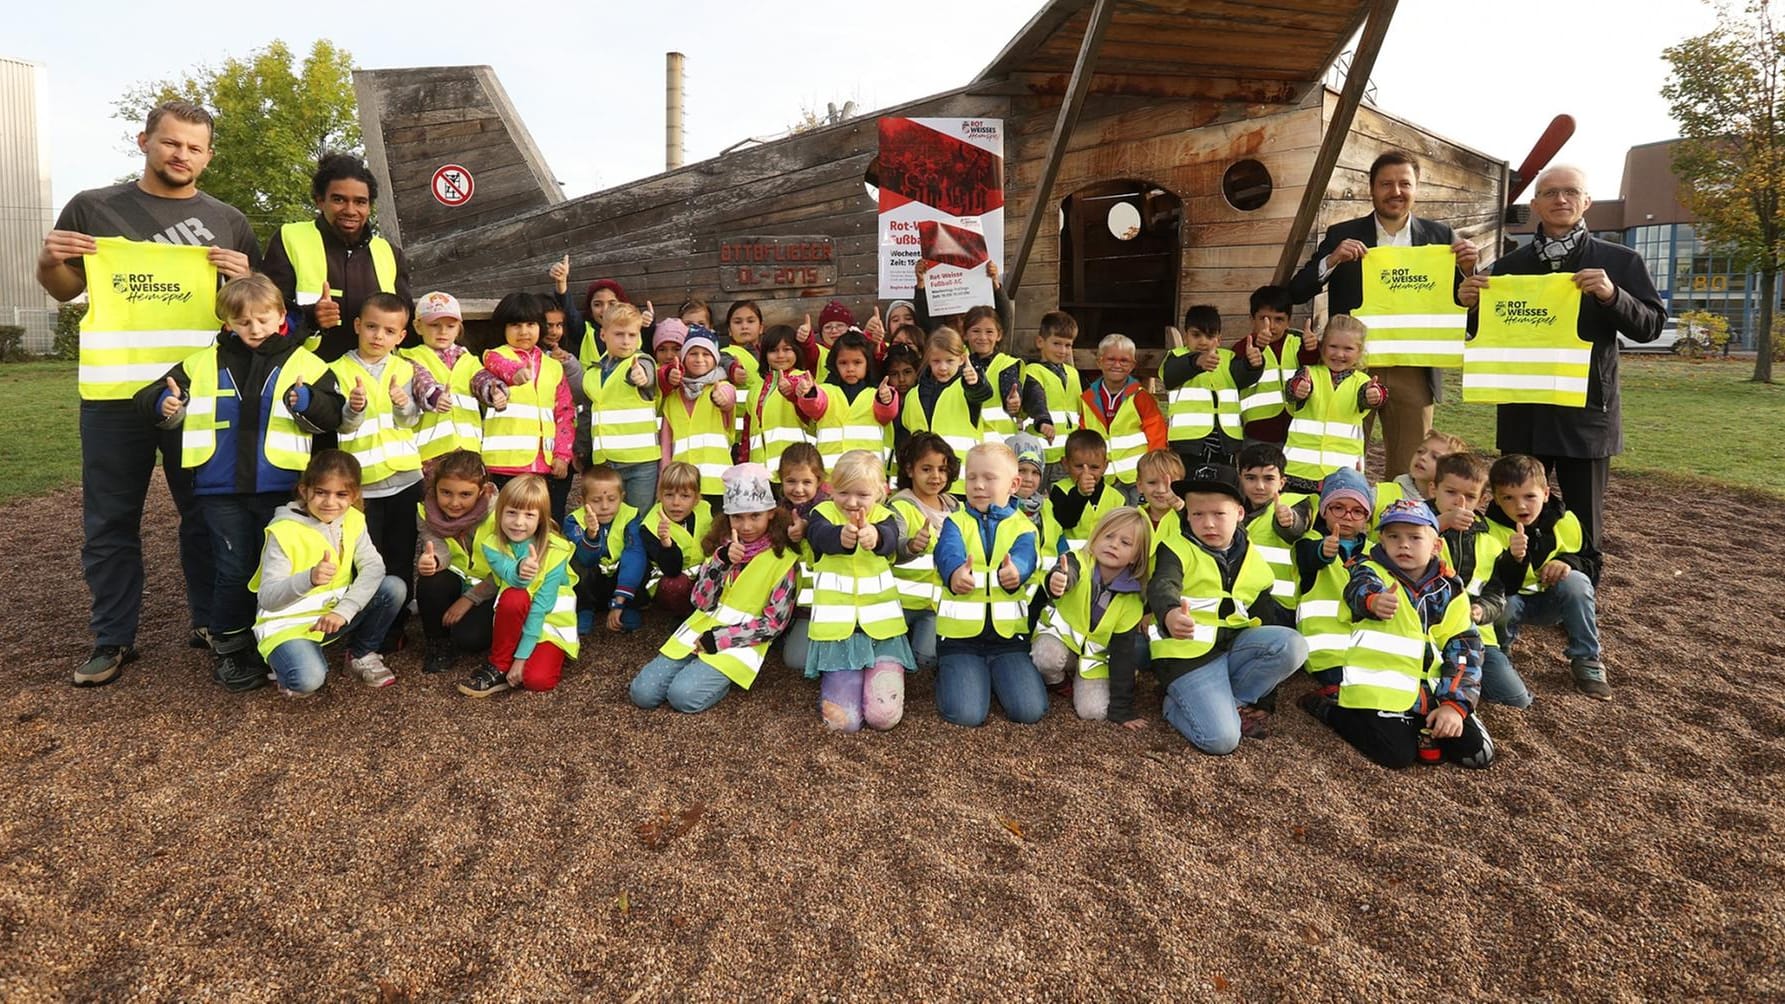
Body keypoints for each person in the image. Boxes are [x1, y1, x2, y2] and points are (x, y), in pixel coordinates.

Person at [39, 99, 259, 686]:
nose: (181, 154)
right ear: (144, 141)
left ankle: (213, 623)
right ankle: (112, 639)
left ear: (208, 156)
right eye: (171, 142)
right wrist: (48, 262)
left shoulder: (230, 221)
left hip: (199, 395)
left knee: (204, 513)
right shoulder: (94, 206)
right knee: (110, 521)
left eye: (194, 146)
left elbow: (253, 310)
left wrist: (242, 278)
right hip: (114, 395)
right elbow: (63, 290)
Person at [138, 274, 343, 691]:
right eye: (243, 321)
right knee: (232, 570)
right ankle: (231, 649)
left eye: (263, 319)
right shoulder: (200, 364)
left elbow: (333, 413)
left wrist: (308, 401)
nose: (254, 329)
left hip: (282, 487)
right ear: (227, 322)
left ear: (281, 316)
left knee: (281, 567)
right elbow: (150, 395)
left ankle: (283, 635)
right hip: (221, 488)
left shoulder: (305, 363)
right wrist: (165, 401)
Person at [1460, 165, 1667, 563]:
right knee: (1512, 512)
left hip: (1585, 416)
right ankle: (1510, 591)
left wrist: (1611, 295)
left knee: (1582, 522)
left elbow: (1650, 326)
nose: (1561, 200)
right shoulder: (1507, 268)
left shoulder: (1620, 262)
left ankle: (1579, 598)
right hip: (1524, 411)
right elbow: (1483, 333)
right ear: (1535, 204)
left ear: (1586, 201)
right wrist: (1469, 305)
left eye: (1571, 192)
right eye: (1550, 193)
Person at [1288, 149, 1479, 477]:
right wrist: (1331, 260)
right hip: (1351, 365)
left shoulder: (1441, 238)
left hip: (1414, 367)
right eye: (1386, 184)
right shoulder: (1341, 234)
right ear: (1371, 188)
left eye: (1405, 183)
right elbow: (1297, 290)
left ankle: (1400, 525)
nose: (1396, 192)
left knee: (1410, 468)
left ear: (1417, 188)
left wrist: (1468, 269)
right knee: (1338, 459)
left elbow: (1464, 305)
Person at [1299, 499, 1496, 769]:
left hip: (1435, 690)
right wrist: (1372, 601)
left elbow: (1464, 648)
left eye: (1415, 537)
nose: (1404, 544)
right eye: (1394, 537)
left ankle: (1425, 727)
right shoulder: (1368, 570)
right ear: (1381, 541)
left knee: (1477, 754)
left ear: (1436, 545)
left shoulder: (1451, 590)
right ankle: (1330, 708)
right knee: (1397, 755)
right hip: (1380, 691)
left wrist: (1454, 706)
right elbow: (1358, 591)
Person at [1129, 464, 1305, 752]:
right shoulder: (1175, 547)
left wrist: (1265, 697)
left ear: (1239, 513)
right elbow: (1163, 586)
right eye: (1198, 514)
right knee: (1221, 741)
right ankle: (1174, 704)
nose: (1208, 523)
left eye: (1218, 514)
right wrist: (1171, 613)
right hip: (1186, 655)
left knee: (1292, 644)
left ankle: (1230, 700)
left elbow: (1265, 613)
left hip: (1231, 647)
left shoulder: (1249, 552)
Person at [629, 463, 801, 714]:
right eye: (738, 517)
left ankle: (716, 679)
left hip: (738, 644)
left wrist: (717, 640)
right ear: (728, 518)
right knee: (642, 694)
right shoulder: (722, 548)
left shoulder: (784, 561)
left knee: (682, 697)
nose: (747, 526)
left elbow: (774, 624)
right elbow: (700, 601)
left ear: (771, 514)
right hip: (695, 634)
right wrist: (721, 562)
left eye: (755, 516)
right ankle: (697, 672)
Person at [250, 450, 406, 695]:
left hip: (331, 617)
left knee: (393, 587)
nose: (330, 502)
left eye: (341, 494)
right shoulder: (283, 531)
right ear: (304, 491)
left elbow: (374, 567)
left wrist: (344, 611)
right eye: (321, 492)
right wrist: (308, 579)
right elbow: (267, 597)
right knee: (308, 681)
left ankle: (359, 654)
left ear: (354, 496)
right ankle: (285, 663)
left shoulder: (352, 518)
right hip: (287, 625)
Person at [330, 292, 425, 650]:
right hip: (362, 485)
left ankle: (395, 628)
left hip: (404, 479)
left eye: (388, 331)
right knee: (365, 560)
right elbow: (340, 428)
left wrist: (404, 406)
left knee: (401, 555)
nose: (377, 336)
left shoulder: (406, 368)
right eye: (371, 327)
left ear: (401, 336)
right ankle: (364, 625)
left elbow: (412, 420)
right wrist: (353, 409)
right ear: (357, 326)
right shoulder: (338, 370)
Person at [933, 442, 1048, 727]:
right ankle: (956, 675)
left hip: (1009, 642)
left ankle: (988, 677)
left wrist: (1016, 572)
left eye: (989, 478)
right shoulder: (955, 522)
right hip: (961, 642)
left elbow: (1026, 557)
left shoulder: (1025, 527)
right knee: (967, 716)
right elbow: (946, 553)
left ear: (1014, 484)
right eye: (971, 477)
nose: (978, 485)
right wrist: (955, 573)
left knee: (1029, 712)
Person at [262, 152, 413, 362]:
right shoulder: (290, 239)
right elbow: (262, 315)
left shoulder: (389, 253)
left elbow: (407, 327)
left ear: (369, 207)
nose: (350, 210)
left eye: (360, 202)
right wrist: (311, 317)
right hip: (307, 378)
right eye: (339, 200)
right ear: (320, 201)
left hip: (373, 382)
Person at [803, 450, 913, 732]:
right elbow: (818, 536)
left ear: (880, 492)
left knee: (883, 716)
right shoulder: (821, 514)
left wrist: (875, 536)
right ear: (830, 489)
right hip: (838, 634)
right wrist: (840, 537)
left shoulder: (887, 516)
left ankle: (876, 678)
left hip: (882, 633)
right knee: (843, 723)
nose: (851, 502)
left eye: (862, 495)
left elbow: (890, 539)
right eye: (843, 493)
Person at [1482, 453, 1608, 699]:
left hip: (1553, 604)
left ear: (1546, 493)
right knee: (1501, 603)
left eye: (1530, 496)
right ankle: (1500, 656)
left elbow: (1594, 564)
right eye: (1508, 498)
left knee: (1577, 581)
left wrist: (1567, 561)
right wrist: (1514, 560)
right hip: (1510, 603)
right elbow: (1490, 584)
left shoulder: (1567, 521)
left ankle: (1587, 660)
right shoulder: (1488, 530)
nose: (1521, 506)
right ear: (1495, 499)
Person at [458, 475, 581, 697]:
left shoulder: (557, 550)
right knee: (516, 595)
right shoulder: (493, 544)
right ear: (500, 512)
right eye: (512, 512)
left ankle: (536, 653)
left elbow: (541, 606)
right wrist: (521, 570)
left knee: (537, 680)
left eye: (529, 515)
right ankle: (499, 664)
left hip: (549, 624)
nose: (518, 522)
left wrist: (521, 659)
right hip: (515, 618)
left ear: (541, 519)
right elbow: (511, 577)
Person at [1428, 451, 1531, 709]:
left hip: (1473, 634)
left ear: (1482, 499)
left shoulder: (1491, 540)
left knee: (1516, 700)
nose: (1460, 502)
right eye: (1451, 492)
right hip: (1423, 632)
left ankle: (1461, 681)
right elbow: (1390, 555)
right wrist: (1436, 525)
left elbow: (1498, 595)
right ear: (1433, 489)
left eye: (1471, 496)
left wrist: (1482, 610)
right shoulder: (1410, 522)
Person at [1033, 506, 1151, 720]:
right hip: (1060, 643)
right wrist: (1059, 579)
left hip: (1093, 660)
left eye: (1125, 542)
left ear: (1136, 556)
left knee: (1094, 713)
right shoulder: (1076, 560)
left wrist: (1122, 711)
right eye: (1108, 536)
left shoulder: (1132, 601)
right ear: (1095, 538)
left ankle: (1083, 679)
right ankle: (1058, 681)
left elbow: (1122, 655)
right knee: (1045, 658)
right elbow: (1067, 571)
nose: (1114, 544)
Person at [479, 292, 576, 521]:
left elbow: (564, 412)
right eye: (515, 325)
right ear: (503, 328)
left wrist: (562, 455)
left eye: (530, 324)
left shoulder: (553, 367)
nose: (524, 331)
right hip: (505, 464)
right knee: (504, 522)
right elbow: (501, 367)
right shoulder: (494, 357)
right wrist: (516, 373)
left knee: (541, 522)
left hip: (545, 465)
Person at [414, 450, 500, 676]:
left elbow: (507, 570)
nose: (454, 503)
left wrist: (469, 599)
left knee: (471, 640)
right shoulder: (426, 511)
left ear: (482, 491)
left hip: (492, 587)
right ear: (434, 489)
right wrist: (431, 561)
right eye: (446, 493)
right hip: (457, 578)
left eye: (465, 494)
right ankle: (437, 644)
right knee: (430, 580)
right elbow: (438, 548)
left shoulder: (500, 514)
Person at [1293, 467, 1375, 689]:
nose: (1348, 517)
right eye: (1338, 508)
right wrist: (1324, 551)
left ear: (1367, 517)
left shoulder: (1376, 552)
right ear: (1323, 511)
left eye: (1358, 511)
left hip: (1366, 650)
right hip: (1324, 652)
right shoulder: (1308, 542)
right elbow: (1309, 559)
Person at [1283, 315, 1385, 488]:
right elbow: (1291, 391)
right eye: (1333, 347)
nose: (1339, 354)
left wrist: (1375, 395)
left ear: (1359, 352)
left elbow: (1371, 397)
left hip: (1343, 475)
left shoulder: (1362, 382)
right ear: (1322, 347)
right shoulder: (1308, 373)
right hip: (1298, 472)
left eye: (1348, 349)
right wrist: (1299, 390)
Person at [1160, 304, 1261, 469]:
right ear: (1185, 337)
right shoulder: (1176, 357)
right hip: (1188, 444)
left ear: (1219, 339)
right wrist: (1196, 361)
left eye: (1210, 336)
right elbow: (1170, 376)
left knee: (1223, 489)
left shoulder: (1229, 359)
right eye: (1196, 335)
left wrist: (1254, 365)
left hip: (1225, 443)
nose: (1203, 341)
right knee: (1190, 491)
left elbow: (1245, 377)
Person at [889, 433, 959, 672]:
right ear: (910, 470)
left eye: (942, 469)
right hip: (900, 604)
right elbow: (890, 547)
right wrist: (909, 546)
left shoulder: (955, 507)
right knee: (897, 663)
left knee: (926, 662)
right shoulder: (899, 505)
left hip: (935, 607)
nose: (936, 476)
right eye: (927, 469)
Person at [582, 302, 659, 512]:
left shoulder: (642, 362)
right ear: (603, 335)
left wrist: (641, 377)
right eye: (619, 334)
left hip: (641, 464)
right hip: (606, 463)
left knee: (637, 522)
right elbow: (588, 415)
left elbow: (646, 375)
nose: (626, 341)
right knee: (609, 522)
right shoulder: (592, 373)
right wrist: (581, 451)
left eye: (632, 335)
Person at [611, 461, 710, 624]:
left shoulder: (706, 509)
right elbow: (672, 569)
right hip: (672, 577)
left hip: (702, 573)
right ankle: (684, 615)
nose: (676, 503)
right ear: (659, 494)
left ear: (697, 498)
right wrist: (666, 544)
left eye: (685, 496)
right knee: (675, 584)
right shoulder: (649, 526)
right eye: (669, 495)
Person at [400, 291, 489, 464]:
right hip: (432, 453)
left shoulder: (468, 359)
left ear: (459, 329)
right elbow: (422, 381)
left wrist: (495, 391)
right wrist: (434, 396)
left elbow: (482, 379)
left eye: (450, 326)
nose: (443, 331)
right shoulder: (410, 357)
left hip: (470, 448)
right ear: (418, 326)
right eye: (435, 325)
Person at [901, 327, 991, 494]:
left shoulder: (965, 388)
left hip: (961, 486)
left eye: (950, 361)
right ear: (928, 359)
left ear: (962, 359)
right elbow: (905, 438)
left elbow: (981, 393)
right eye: (936, 361)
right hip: (921, 485)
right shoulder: (913, 395)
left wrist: (975, 382)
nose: (943, 367)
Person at [1077, 334, 1166, 497]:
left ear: (1132, 365)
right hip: (1103, 479)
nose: (1117, 365)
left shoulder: (1141, 397)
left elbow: (1157, 436)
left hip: (1138, 478)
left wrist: (1154, 472)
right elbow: (1083, 439)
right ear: (1099, 361)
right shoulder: (1087, 398)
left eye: (1124, 361)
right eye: (1111, 359)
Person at [563, 463, 643, 636]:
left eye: (612, 499)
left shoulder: (630, 516)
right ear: (582, 501)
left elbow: (634, 555)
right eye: (596, 500)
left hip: (618, 583)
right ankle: (584, 608)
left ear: (622, 497)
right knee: (574, 560)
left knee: (638, 556)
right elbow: (584, 560)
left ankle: (628, 604)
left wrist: (620, 601)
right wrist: (591, 535)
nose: (605, 507)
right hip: (591, 581)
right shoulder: (573, 521)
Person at [660, 326, 739, 501]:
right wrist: (663, 483)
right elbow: (666, 448)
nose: (699, 359)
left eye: (706, 354)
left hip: (716, 484)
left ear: (715, 359)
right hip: (681, 488)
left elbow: (728, 399)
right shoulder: (672, 397)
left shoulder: (722, 386)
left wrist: (722, 398)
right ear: (684, 358)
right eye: (693, 353)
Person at [1236, 285, 1319, 446]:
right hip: (1258, 431)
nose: (1272, 326)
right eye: (1264, 319)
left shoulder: (1298, 344)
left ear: (1289, 321)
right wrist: (1257, 350)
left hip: (1296, 428)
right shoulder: (1243, 347)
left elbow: (1311, 369)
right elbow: (1239, 375)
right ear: (1252, 320)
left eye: (1279, 319)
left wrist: (1312, 348)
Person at [775, 443, 828, 673]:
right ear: (780, 479)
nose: (798, 489)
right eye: (791, 481)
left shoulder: (827, 509)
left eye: (807, 482)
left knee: (797, 661)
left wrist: (807, 528)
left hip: (818, 603)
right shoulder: (778, 508)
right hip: (790, 599)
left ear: (819, 481)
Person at [814, 331, 899, 472]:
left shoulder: (878, 393)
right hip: (831, 477)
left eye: (857, 362)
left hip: (868, 476)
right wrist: (808, 393)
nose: (850, 369)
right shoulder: (824, 391)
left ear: (868, 364)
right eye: (843, 363)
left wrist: (886, 399)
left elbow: (887, 413)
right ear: (834, 365)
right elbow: (813, 405)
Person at [748, 324, 823, 477]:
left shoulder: (804, 380)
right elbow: (748, 432)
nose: (780, 355)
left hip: (797, 469)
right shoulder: (755, 389)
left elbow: (812, 411)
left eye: (787, 349)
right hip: (760, 472)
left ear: (797, 352)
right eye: (773, 350)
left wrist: (799, 394)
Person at [1040, 429, 1125, 560]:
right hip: (1069, 561)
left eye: (1094, 467)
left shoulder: (1117, 498)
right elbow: (1064, 521)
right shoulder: (1060, 490)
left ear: (1105, 466)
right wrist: (1079, 494)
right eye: (1079, 466)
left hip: (1103, 563)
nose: (1087, 473)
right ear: (1065, 464)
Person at [1023, 310, 1083, 479]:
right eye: (1057, 343)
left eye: (1068, 345)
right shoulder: (1032, 372)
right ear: (1040, 342)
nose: (1062, 350)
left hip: (1067, 456)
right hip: (1039, 454)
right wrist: (1044, 422)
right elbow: (1035, 400)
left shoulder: (1073, 374)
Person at [1374, 428, 1469, 522]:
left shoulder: (1454, 506)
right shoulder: (1380, 493)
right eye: (1420, 451)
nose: (1423, 457)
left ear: (1453, 470)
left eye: (1435, 457)